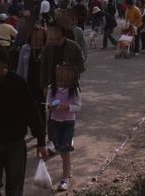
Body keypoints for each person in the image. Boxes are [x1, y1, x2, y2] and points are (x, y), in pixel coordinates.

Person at [0, 45, 47, 196]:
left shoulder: (17, 83)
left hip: (15, 144)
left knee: (14, 188)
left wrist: (41, 141)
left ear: (2, 64)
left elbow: (32, 112)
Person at [46, 64, 81, 192]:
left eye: (64, 79)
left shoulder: (74, 90)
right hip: (55, 122)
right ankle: (69, 167)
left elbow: (78, 106)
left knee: (65, 149)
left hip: (68, 123)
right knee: (59, 147)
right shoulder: (52, 88)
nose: (61, 82)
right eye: (59, 79)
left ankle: (65, 178)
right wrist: (51, 106)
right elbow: (47, 104)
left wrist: (67, 107)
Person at [40, 23, 86, 92]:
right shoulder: (48, 48)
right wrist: (44, 87)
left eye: (53, 31)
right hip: (52, 87)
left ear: (61, 32)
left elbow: (82, 66)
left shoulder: (74, 47)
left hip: (70, 87)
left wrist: (68, 70)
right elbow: (43, 69)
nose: (50, 34)